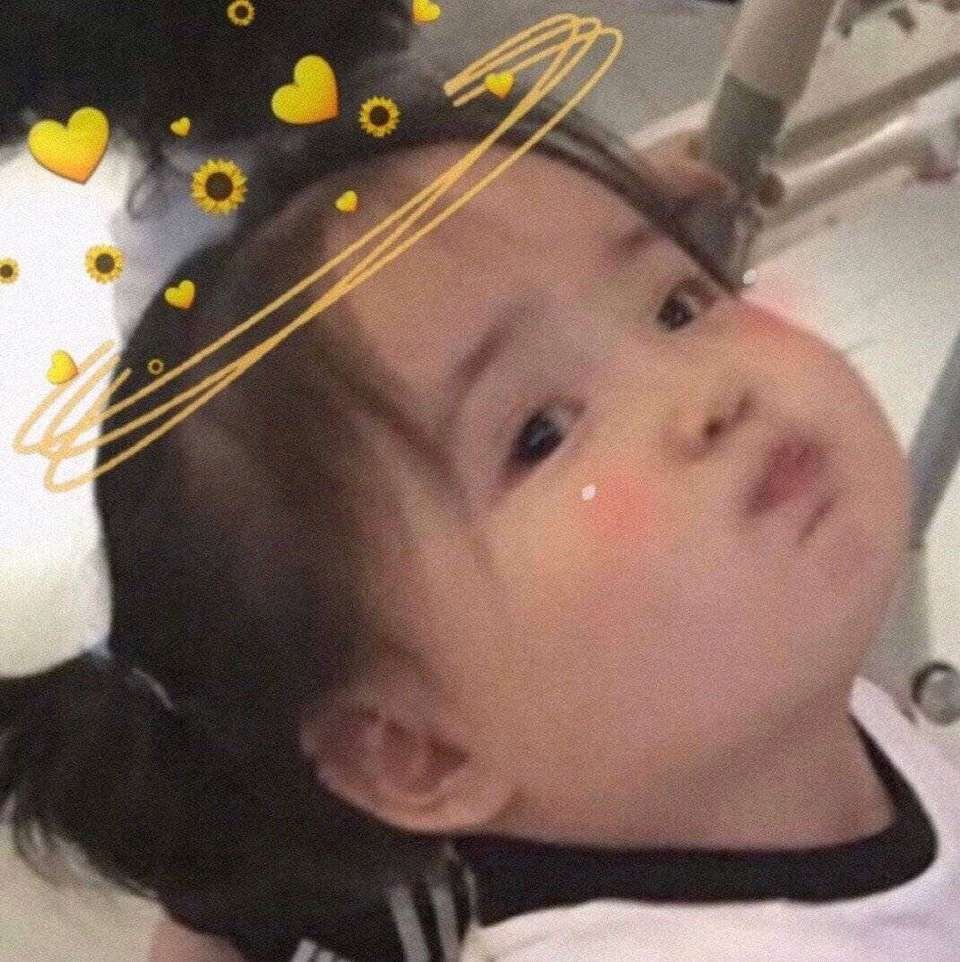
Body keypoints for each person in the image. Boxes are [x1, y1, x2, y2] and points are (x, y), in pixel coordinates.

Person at [4, 6, 959, 962]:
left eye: (678, 306)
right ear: (422, 752)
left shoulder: (777, 711)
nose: (706, 395)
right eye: (540, 436)